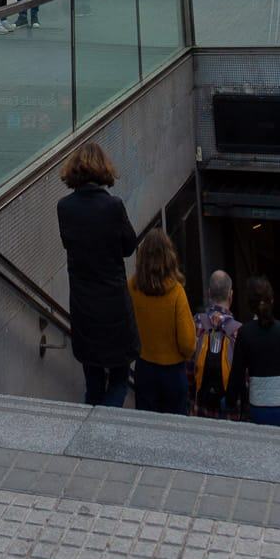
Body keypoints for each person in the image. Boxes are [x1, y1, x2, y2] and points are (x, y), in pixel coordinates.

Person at [57, 141, 138, 408]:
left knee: (92, 379)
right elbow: (129, 246)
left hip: (83, 306)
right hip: (113, 304)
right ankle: (105, 426)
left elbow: (70, 244)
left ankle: (92, 424)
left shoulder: (65, 207)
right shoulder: (113, 206)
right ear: (103, 169)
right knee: (118, 379)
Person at [227, 277, 280, 428]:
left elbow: (237, 374)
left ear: (250, 305)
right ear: (272, 300)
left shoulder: (245, 333)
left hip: (258, 407)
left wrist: (230, 401)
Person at [128, 228, 196, 414]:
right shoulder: (176, 292)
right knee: (175, 429)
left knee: (147, 426)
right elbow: (188, 343)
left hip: (144, 367)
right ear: (169, 255)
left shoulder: (132, 287)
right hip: (173, 373)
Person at [190, 270, 242, 418]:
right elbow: (244, 378)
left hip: (200, 408)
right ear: (231, 295)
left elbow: (188, 366)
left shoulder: (196, 322)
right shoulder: (239, 331)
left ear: (208, 293)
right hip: (229, 412)